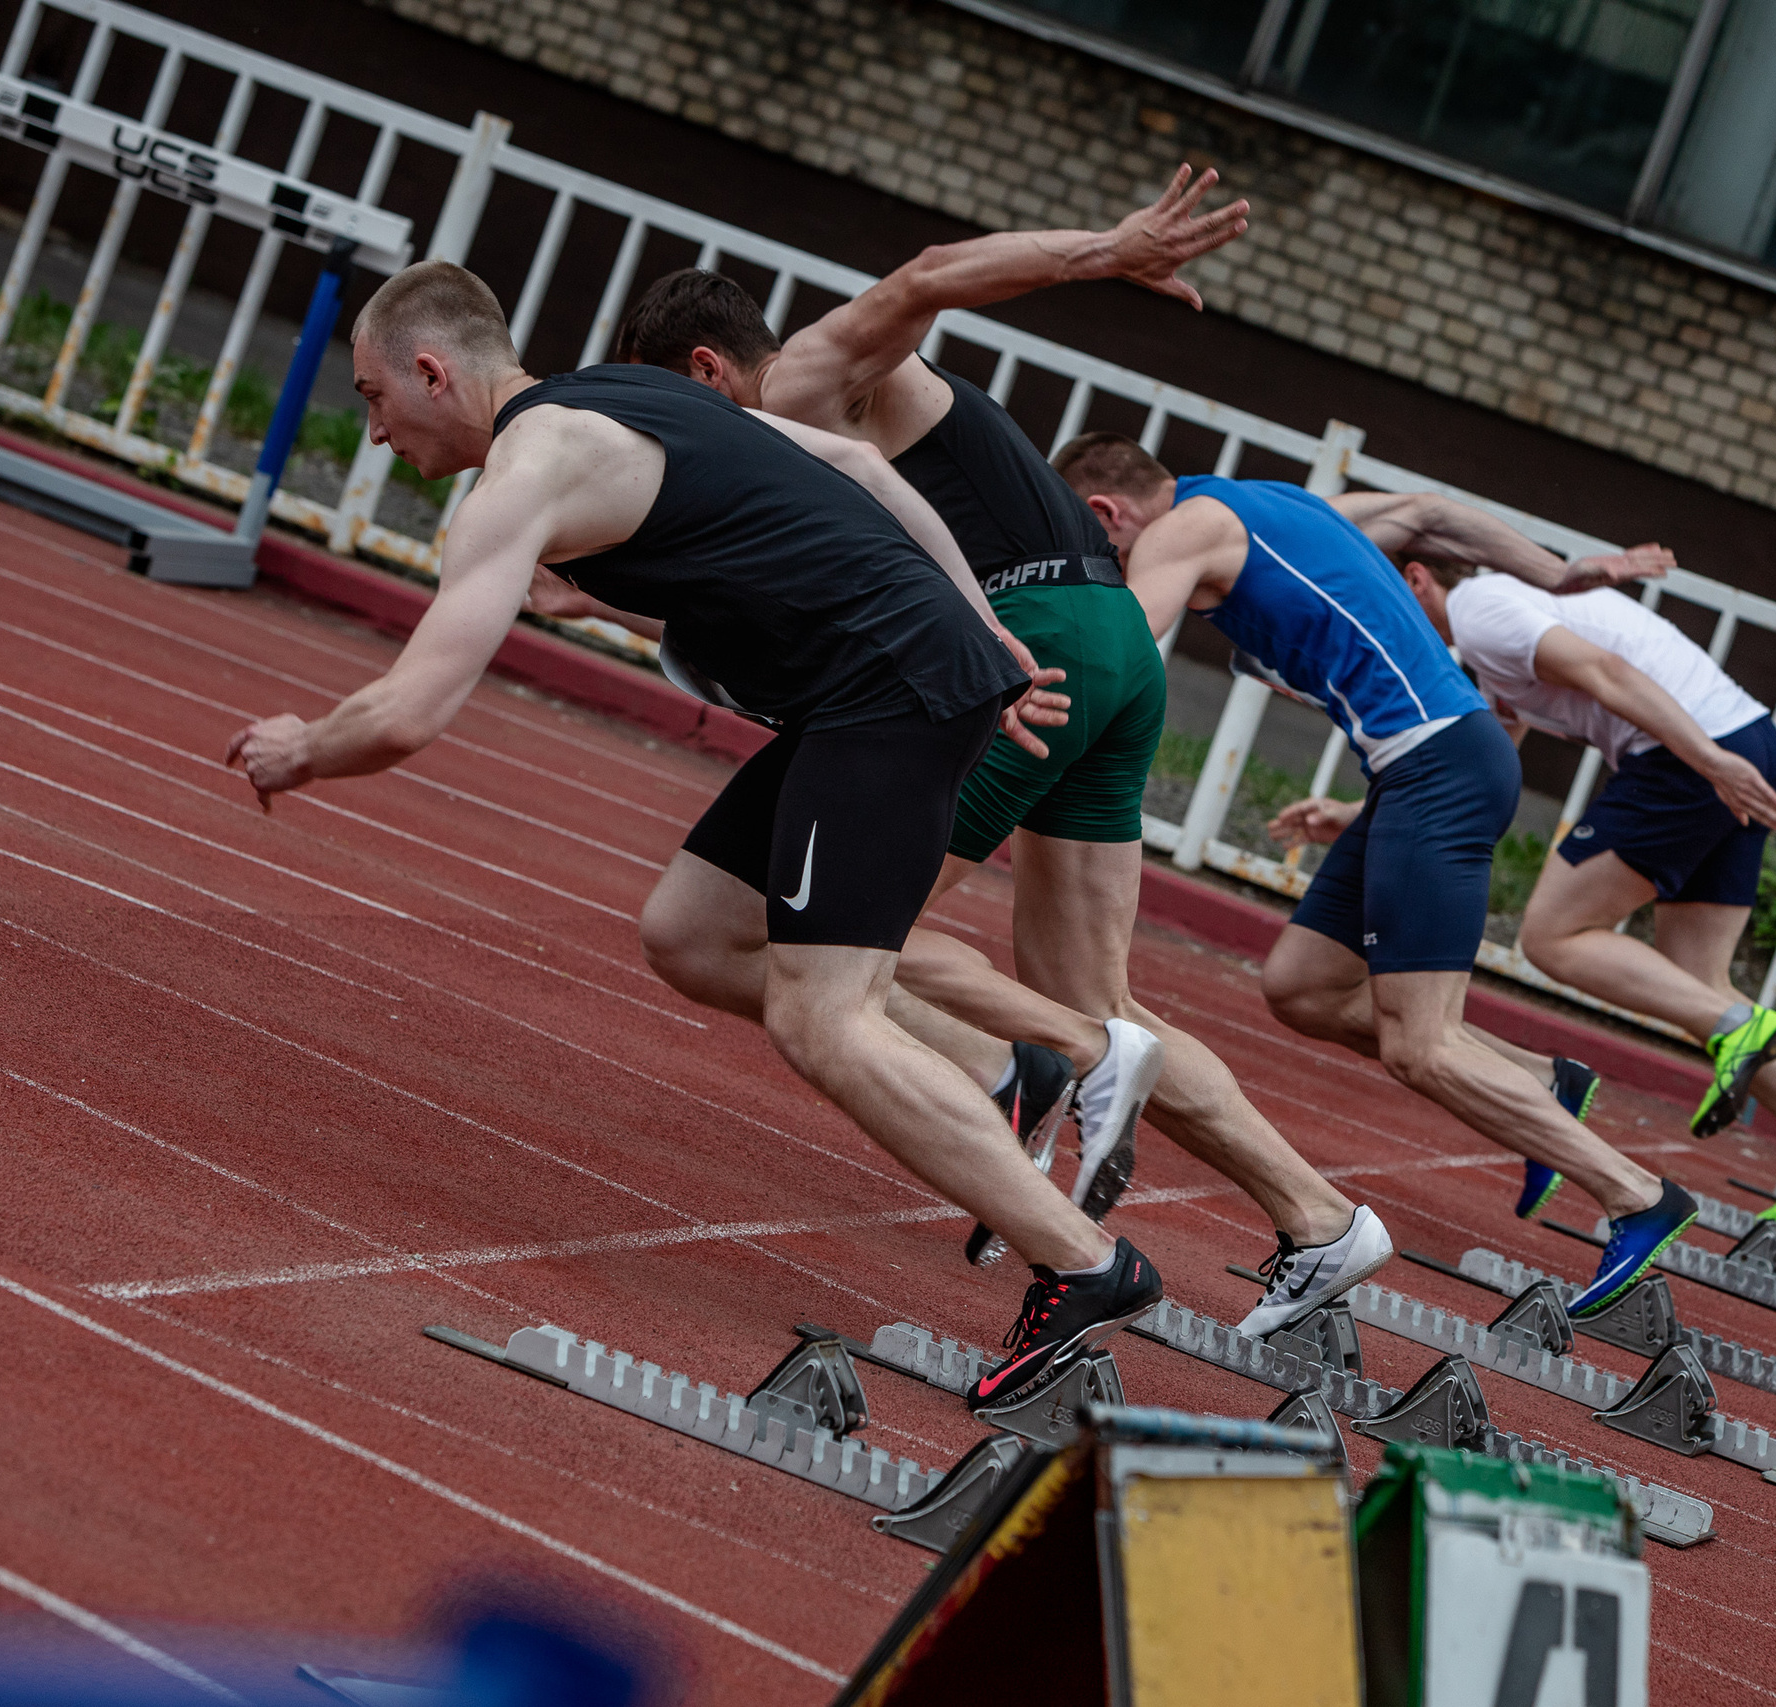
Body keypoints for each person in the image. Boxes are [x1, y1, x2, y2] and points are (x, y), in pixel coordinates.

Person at [224, 261, 1156, 1411]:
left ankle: (1085, 1264)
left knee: (822, 1016)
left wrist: (303, 747)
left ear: (432, 369)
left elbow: (412, 710)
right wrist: (987, 635)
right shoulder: (622, 393)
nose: (373, 432)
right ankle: (996, 1069)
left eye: (373, 396)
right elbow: (856, 470)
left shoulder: (525, 472)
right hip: (882, 686)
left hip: (887, 697)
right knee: (692, 930)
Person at [564, 168, 1391, 1334]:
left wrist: (1105, 249)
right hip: (1106, 646)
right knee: (1087, 986)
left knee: (845, 940)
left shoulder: (806, 378)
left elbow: (926, 278)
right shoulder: (780, 452)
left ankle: (1043, 1065)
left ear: (706, 373)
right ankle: (1318, 1217)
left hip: (1025, 646)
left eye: (670, 413)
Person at [1054, 432, 1700, 1320]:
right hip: (1423, 766)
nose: (1119, 565)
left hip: (1436, 763)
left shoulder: (1181, 529)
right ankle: (1539, 1080)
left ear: (1109, 515)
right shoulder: (1275, 503)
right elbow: (1427, 514)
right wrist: (1556, 573)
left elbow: (1116, 655)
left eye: (1106, 554)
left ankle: (1635, 1192)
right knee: (1303, 986)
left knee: (1421, 1043)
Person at [1396, 556, 1776, 1223]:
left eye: (1384, 591)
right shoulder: (1492, 637)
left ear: (1419, 577)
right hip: (1744, 734)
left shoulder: (1480, 609)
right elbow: (1491, 754)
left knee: (1551, 934)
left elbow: (1609, 674)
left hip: (1693, 752)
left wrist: (1709, 763)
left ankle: (1738, 1028)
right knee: (1691, 977)